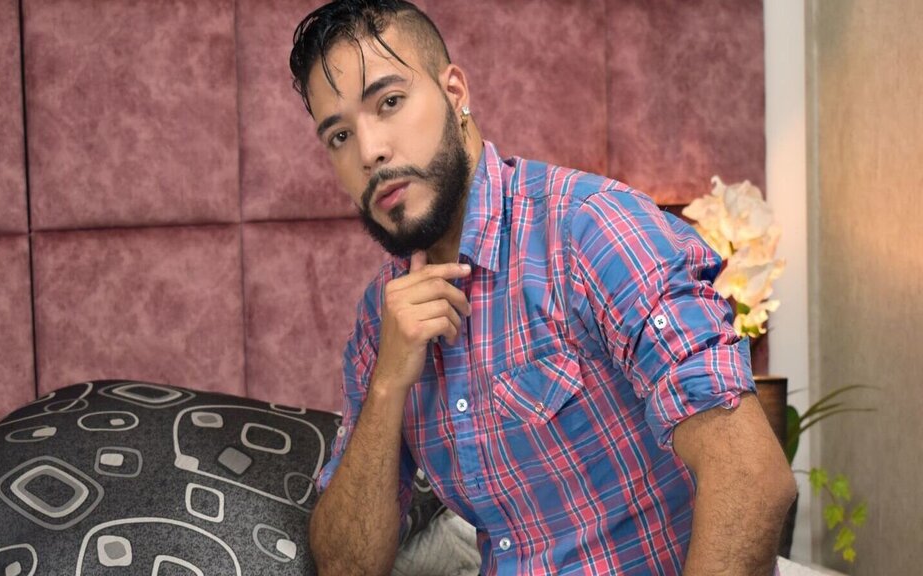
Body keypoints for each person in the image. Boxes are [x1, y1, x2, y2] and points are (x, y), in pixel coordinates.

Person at [288, 1, 797, 574]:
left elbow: (751, 475)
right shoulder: (380, 321)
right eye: (339, 135)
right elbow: (345, 566)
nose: (369, 151)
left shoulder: (591, 230)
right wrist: (386, 387)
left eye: (389, 102)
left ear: (455, 93)